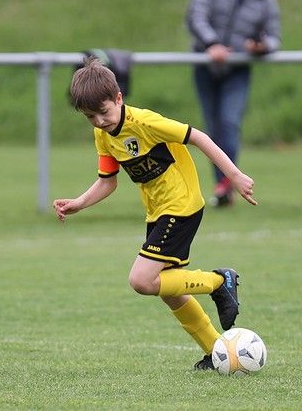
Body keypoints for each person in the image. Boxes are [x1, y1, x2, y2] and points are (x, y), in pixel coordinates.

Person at [53, 57, 257, 371]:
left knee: (141, 280)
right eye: (90, 116)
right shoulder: (103, 135)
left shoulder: (146, 123)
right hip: (158, 212)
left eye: (103, 112)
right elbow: (108, 182)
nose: (98, 121)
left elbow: (198, 137)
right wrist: (79, 203)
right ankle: (216, 351)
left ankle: (219, 281)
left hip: (182, 205)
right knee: (169, 290)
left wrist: (234, 175)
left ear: (119, 98)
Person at [185, 0, 281, 207]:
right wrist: (211, 43)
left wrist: (262, 46)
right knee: (211, 127)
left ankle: (226, 184)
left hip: (238, 69)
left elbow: (274, 36)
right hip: (205, 65)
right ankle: (222, 187)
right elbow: (196, 17)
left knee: (229, 124)